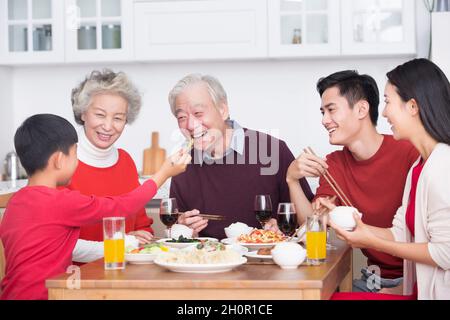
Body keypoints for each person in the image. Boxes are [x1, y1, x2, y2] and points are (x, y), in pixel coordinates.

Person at [0, 114, 190, 300]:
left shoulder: (15, 203)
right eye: (75, 155)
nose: (77, 162)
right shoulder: (60, 202)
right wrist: (164, 173)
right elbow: (121, 206)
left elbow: (42, 254)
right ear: (59, 159)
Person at [326, 58, 450, 300]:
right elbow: (400, 233)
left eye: (387, 102)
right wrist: (356, 228)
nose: (383, 112)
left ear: (412, 107)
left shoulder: (443, 166)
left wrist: (374, 242)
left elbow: (445, 253)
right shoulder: (419, 166)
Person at [286, 70, 419, 293]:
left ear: (361, 109)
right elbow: (311, 226)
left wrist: (405, 289)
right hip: (372, 280)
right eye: (322, 112)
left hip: (416, 279)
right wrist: (292, 180)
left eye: (331, 110)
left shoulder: (409, 153)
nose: (324, 120)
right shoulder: (334, 164)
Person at [169, 73, 313, 239]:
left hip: (266, 261)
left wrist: (282, 228)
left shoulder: (272, 150)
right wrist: (183, 230)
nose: (190, 125)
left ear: (223, 110)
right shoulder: (182, 166)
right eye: (182, 117)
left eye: (198, 113)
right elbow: (174, 230)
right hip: (209, 261)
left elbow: (310, 224)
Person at [67, 69, 153, 264]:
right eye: (100, 114)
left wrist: (140, 236)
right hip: (76, 280)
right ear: (83, 114)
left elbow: (142, 225)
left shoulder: (126, 162)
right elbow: (57, 243)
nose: (108, 126)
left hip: (123, 274)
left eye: (118, 118)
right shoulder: (63, 164)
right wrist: (123, 244)